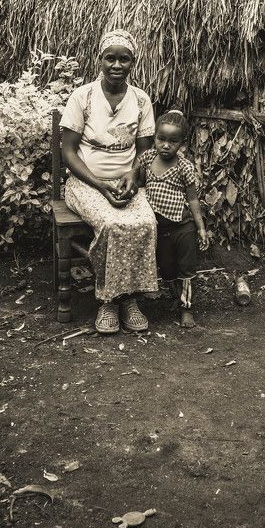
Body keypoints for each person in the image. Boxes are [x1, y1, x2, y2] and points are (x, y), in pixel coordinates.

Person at [60, 29, 158, 335]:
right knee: (110, 223)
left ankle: (130, 300)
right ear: (100, 60)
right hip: (85, 184)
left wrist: (131, 176)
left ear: (133, 62)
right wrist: (101, 185)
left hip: (126, 182)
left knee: (145, 222)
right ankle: (108, 301)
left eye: (124, 59)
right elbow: (68, 151)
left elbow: (144, 152)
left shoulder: (141, 100)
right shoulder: (83, 97)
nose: (117, 65)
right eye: (110, 58)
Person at [131, 110, 208, 329]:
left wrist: (200, 227)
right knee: (166, 269)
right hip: (160, 229)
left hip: (182, 227)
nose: (166, 145)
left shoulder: (184, 167)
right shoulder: (147, 158)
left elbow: (192, 199)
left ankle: (187, 309)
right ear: (154, 137)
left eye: (173, 141)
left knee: (186, 270)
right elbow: (135, 173)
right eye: (161, 139)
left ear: (182, 144)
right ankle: (176, 298)